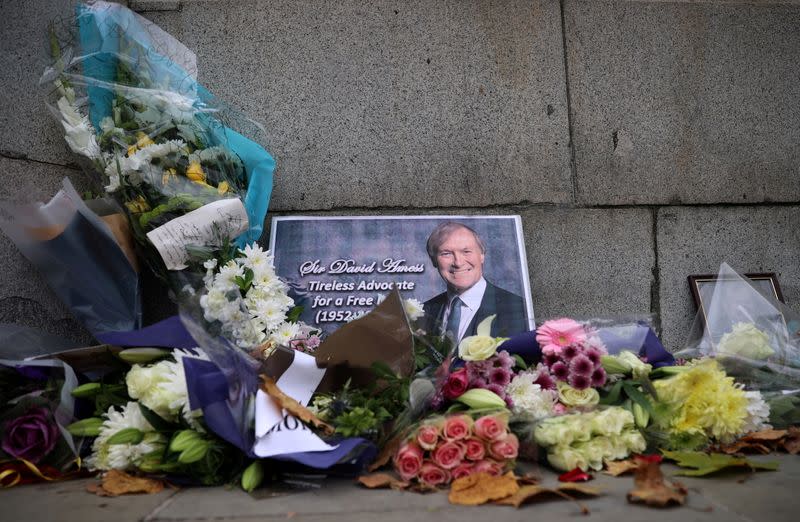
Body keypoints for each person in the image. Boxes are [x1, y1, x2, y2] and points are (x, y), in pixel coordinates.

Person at [421, 222, 528, 345]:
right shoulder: (423, 312)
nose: (458, 262)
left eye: (466, 251)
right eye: (446, 253)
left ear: (482, 255)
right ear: (433, 260)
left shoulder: (518, 308)